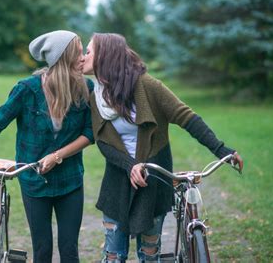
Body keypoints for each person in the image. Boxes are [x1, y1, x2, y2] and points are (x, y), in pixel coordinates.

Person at [81, 33, 243, 263]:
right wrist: (130, 166)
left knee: (150, 255)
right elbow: (104, 142)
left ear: (105, 56)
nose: (83, 56)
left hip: (152, 181)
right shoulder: (95, 96)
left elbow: (187, 117)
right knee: (113, 256)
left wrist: (221, 150)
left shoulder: (147, 86)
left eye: (88, 51)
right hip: (117, 183)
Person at [0, 30, 94, 262]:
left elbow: (90, 133)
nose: (83, 58)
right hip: (33, 181)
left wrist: (57, 155)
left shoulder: (86, 88)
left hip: (70, 180)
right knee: (42, 249)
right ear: (63, 58)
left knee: (69, 250)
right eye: (77, 53)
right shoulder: (27, 89)